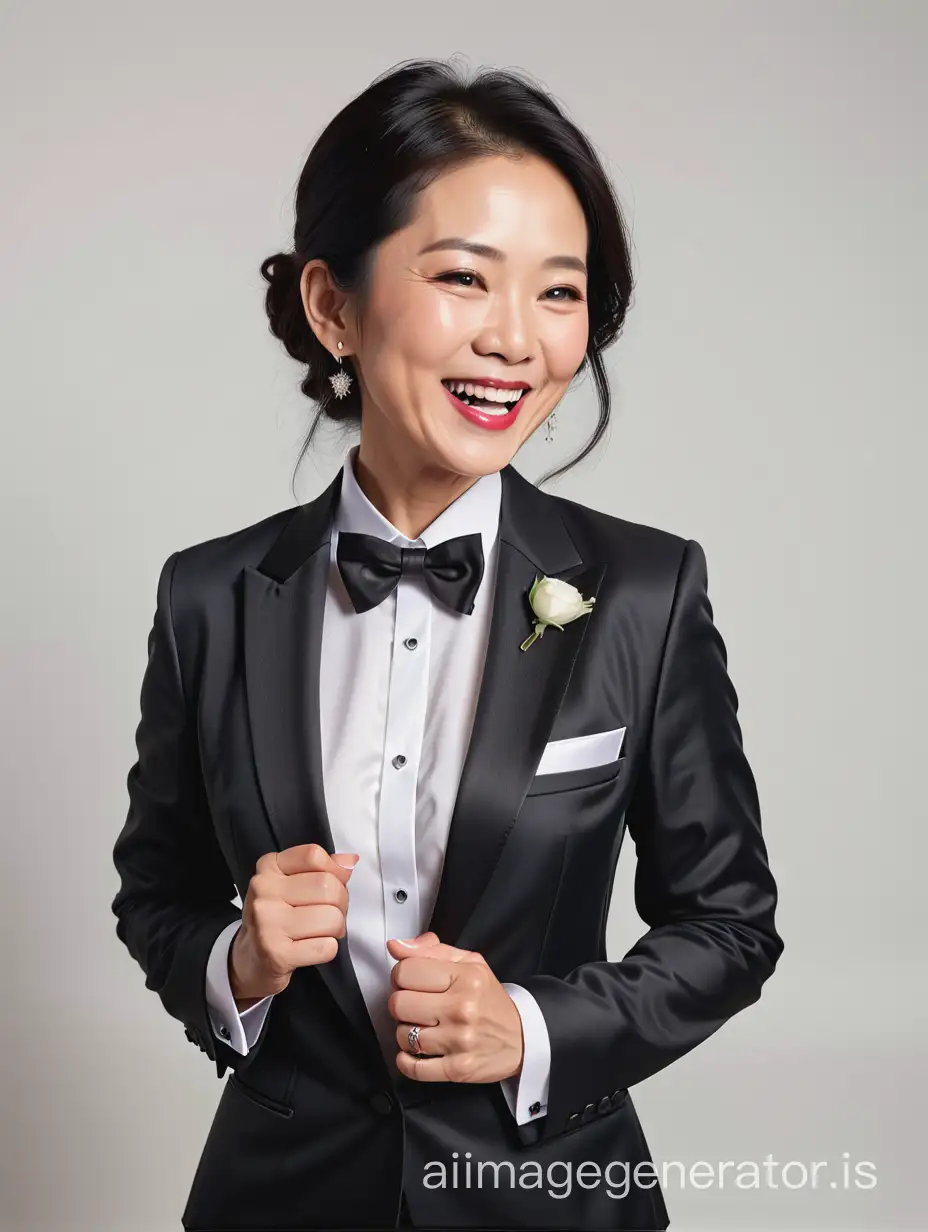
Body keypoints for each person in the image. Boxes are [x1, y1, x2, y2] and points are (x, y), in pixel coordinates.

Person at [111, 58, 783, 1232]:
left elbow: (727, 923)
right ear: (333, 306)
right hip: (280, 1197)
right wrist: (239, 960)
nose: (516, 340)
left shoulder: (643, 591)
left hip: (555, 1197)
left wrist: (530, 1027)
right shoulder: (210, 594)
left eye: (560, 293)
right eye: (465, 278)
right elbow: (156, 891)